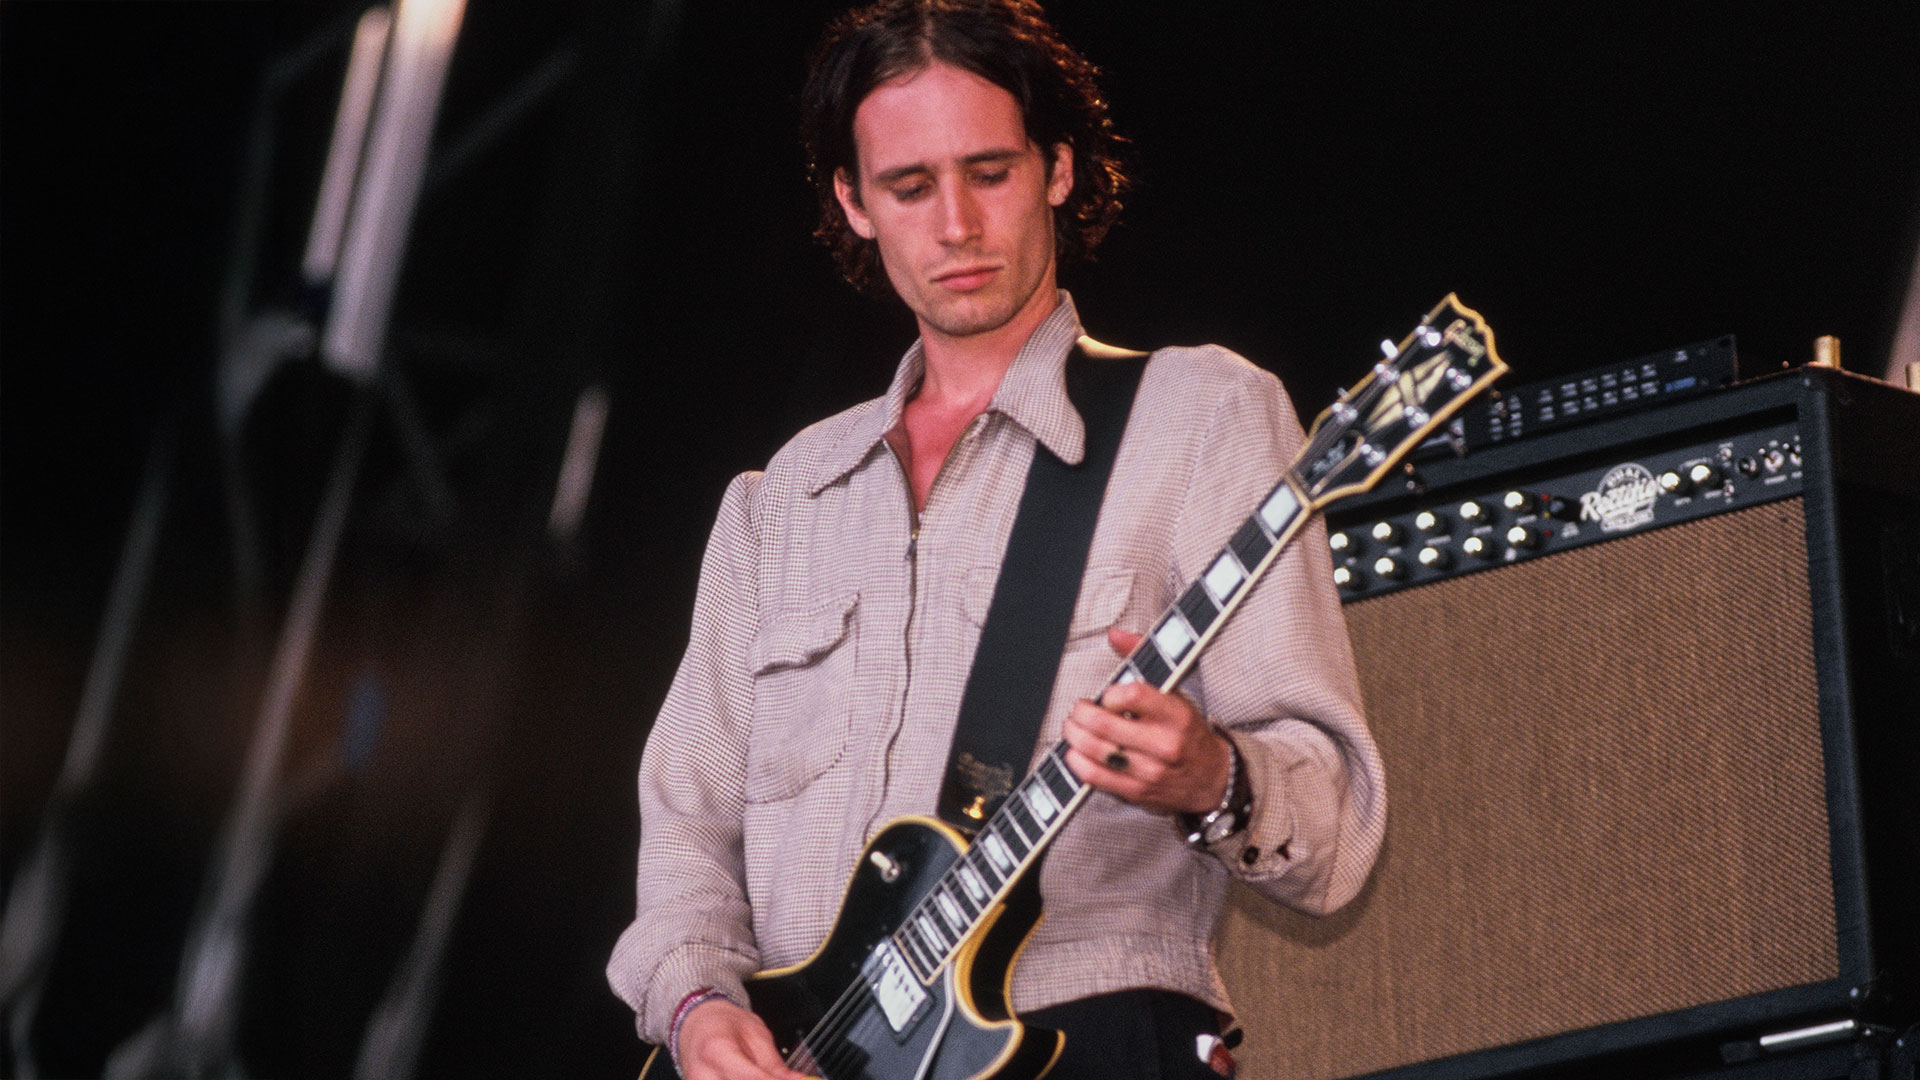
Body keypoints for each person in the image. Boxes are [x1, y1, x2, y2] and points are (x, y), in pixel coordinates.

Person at [607, 2, 1386, 1077]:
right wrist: (697, 1006)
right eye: (910, 187)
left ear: (1058, 170)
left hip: (1093, 1033)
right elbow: (687, 834)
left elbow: (1335, 826)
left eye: (991, 172)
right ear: (854, 202)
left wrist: (1212, 776)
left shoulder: (1199, 417)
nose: (958, 226)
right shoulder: (781, 501)